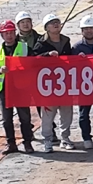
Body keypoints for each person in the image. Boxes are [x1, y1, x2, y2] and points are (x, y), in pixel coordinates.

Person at [31, 13, 75, 152]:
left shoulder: (66, 41)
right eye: (52, 23)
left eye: (57, 22)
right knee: (48, 115)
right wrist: (47, 55)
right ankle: (48, 140)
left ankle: (65, 138)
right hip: (48, 86)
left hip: (65, 84)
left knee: (66, 114)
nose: (56, 25)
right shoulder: (41, 43)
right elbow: (34, 60)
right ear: (46, 28)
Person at [0, 20, 33, 153]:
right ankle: (11, 144)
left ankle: (28, 143)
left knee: (25, 118)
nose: (9, 36)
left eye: (11, 33)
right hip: (4, 89)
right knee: (7, 119)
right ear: (2, 35)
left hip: (20, 88)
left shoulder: (24, 48)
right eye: (6, 33)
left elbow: (34, 62)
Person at [71, 16, 93, 148]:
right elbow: (71, 67)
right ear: (82, 31)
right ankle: (86, 137)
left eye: (91, 28)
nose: (89, 31)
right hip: (84, 85)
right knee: (84, 113)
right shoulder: (77, 47)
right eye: (86, 29)